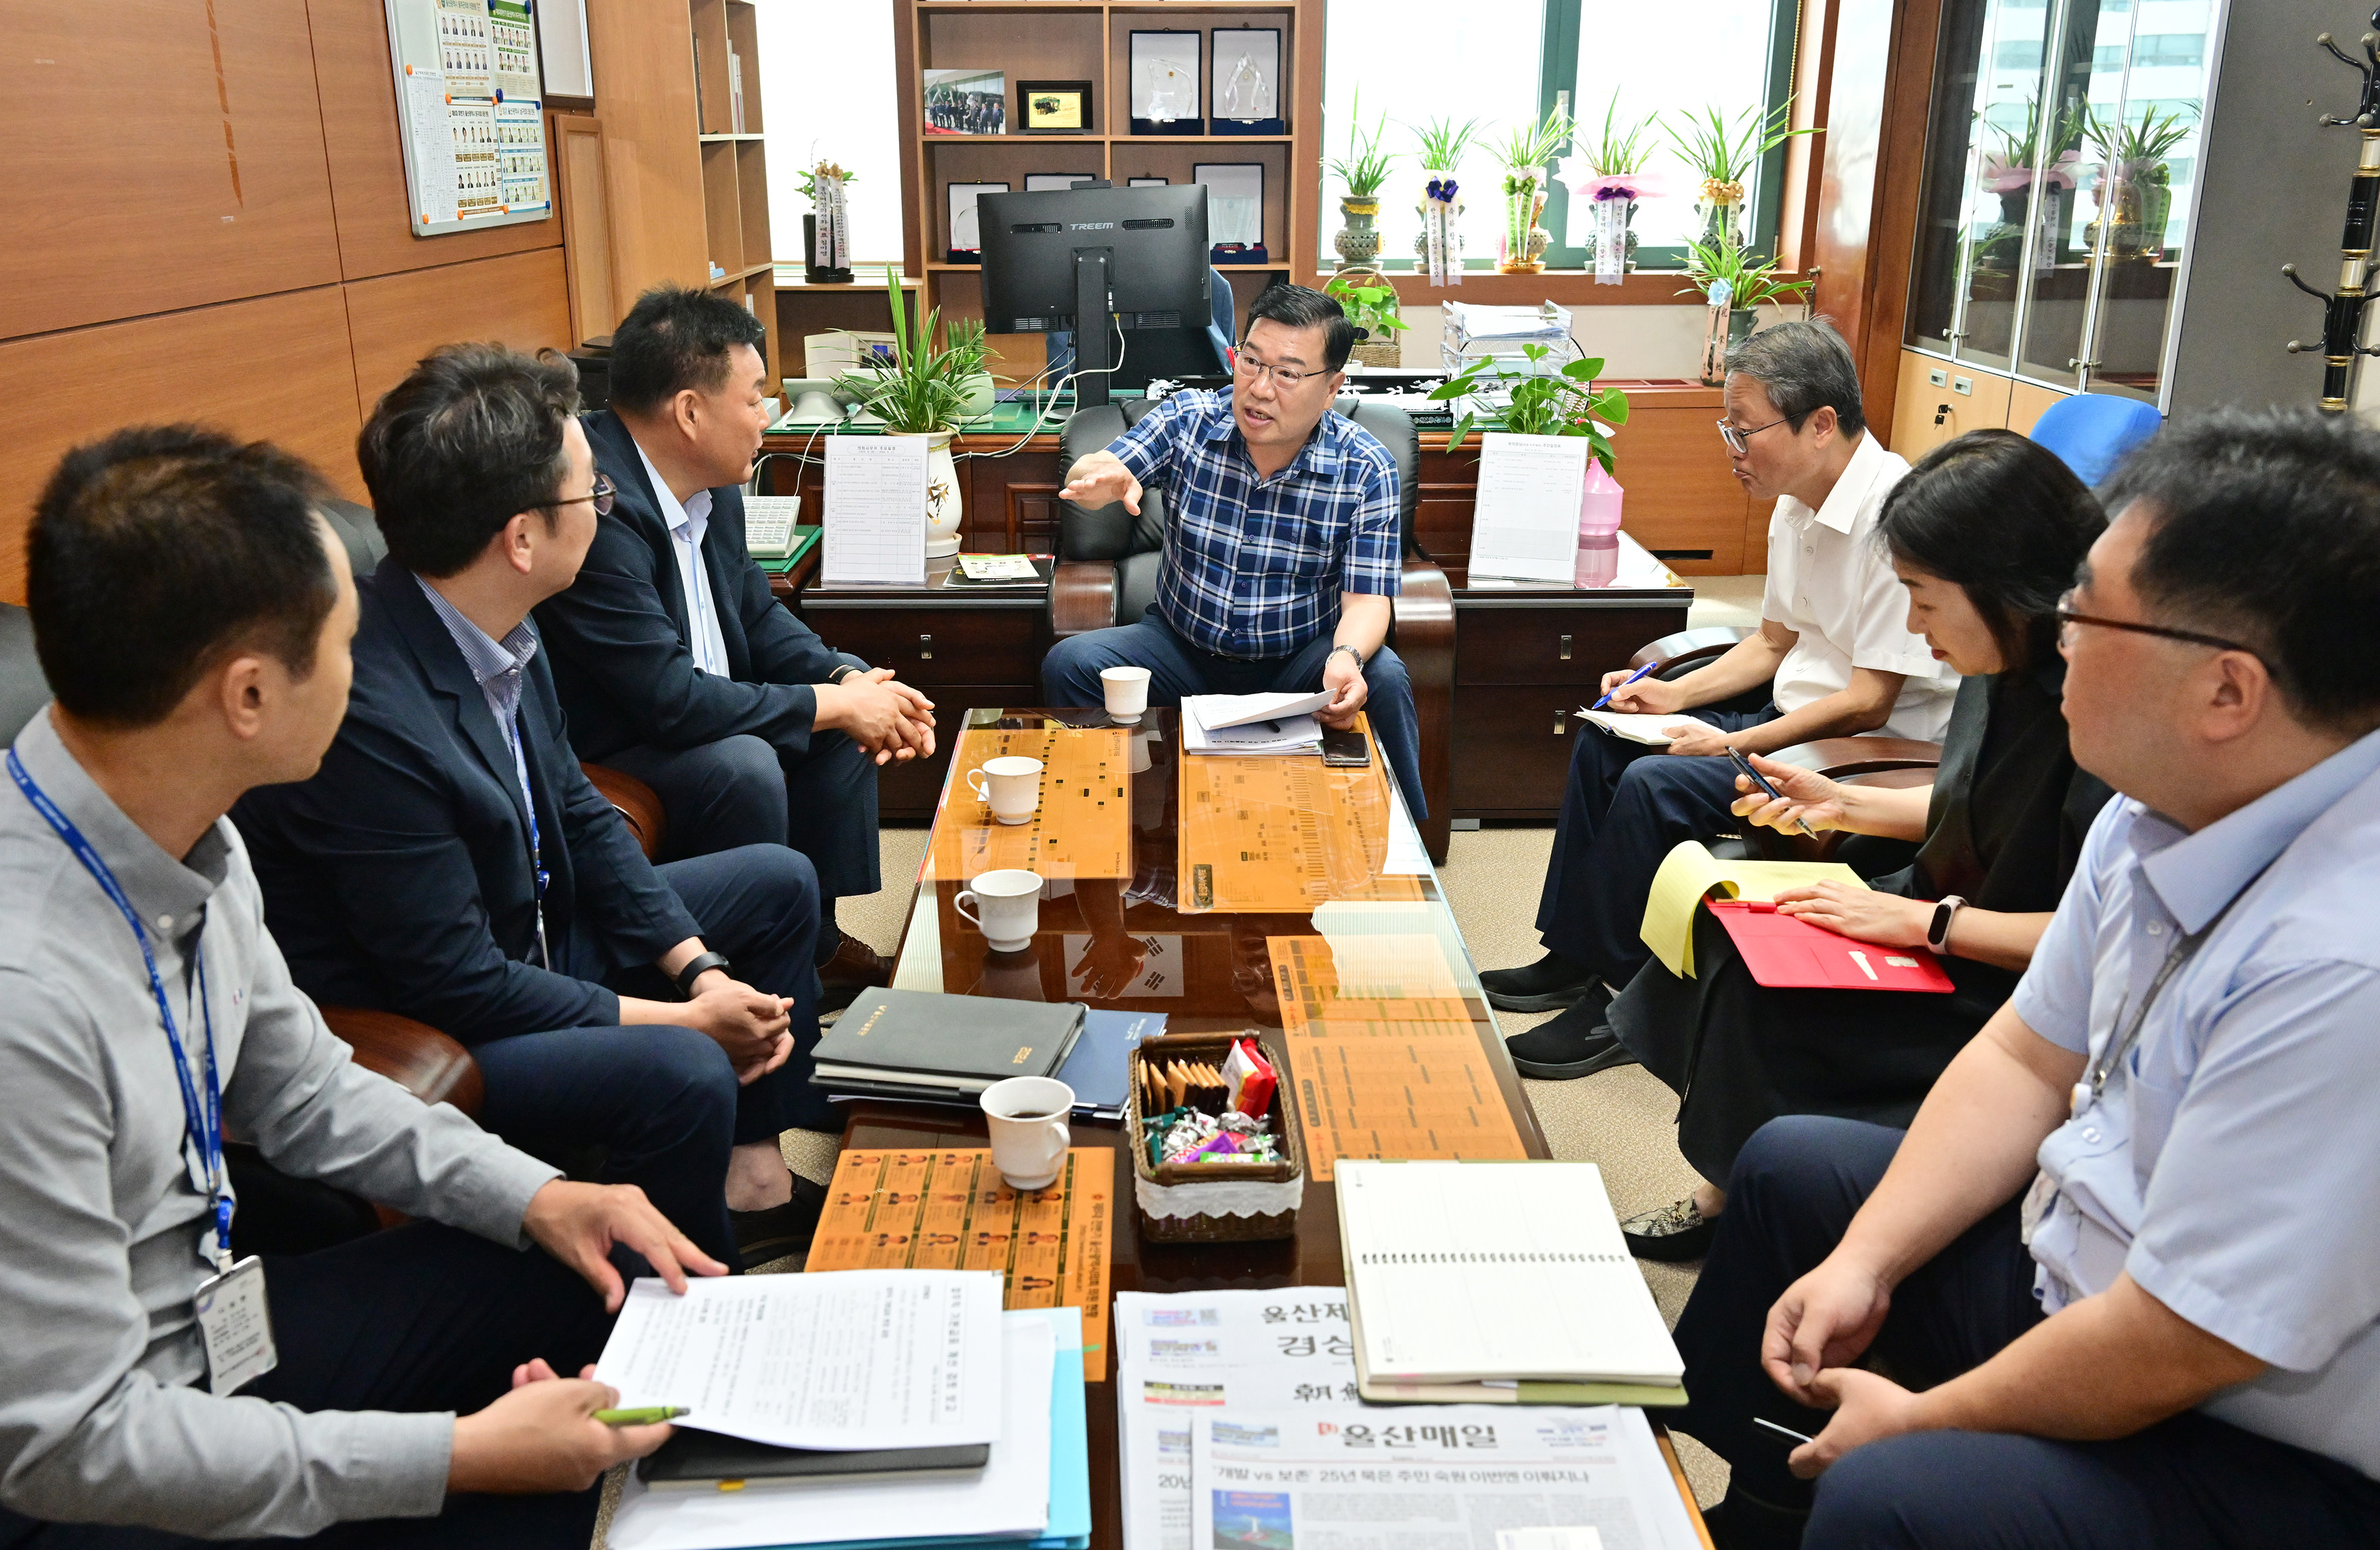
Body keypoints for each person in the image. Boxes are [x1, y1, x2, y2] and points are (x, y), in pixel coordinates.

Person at [1669, 407, 2380, 1550]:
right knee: (1799, 1171)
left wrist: (1920, 1421)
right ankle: (1761, 1501)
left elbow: (2187, 1333)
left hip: (2247, 1427)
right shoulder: (2157, 810)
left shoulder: (2346, 959)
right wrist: (1865, 1260)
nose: (2058, 640)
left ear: (2228, 691)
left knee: (1896, 1495)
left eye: (2087, 613)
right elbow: (2025, 1055)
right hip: (2081, 1257)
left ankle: (1834, 1485)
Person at [0, 425, 713, 1546]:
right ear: (247, 694)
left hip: (211, 1318)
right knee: (501, 1479)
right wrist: (457, 1455)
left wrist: (538, 1193)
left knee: (600, 1269)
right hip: (89, 1463)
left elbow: (311, 1092)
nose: (365, 659)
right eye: (342, 641)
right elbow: (70, 1442)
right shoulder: (27, 995)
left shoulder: (188, 831)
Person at [235, 345, 834, 1273]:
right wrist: (684, 1021)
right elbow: (458, 983)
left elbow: (581, 811)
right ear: (521, 536)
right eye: (592, 495)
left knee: (777, 882)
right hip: (445, 1023)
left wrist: (700, 968)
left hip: (541, 930)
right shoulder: (368, 716)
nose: (609, 510)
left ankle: (751, 1177)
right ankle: (672, 1314)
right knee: (679, 1070)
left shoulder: (504, 617)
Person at [1603, 431, 2113, 1262]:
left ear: (2001, 587)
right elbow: (1973, 810)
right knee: (1735, 931)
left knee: (1769, 986)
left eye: (1922, 596)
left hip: (2001, 974)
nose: (1913, 626)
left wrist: (1919, 923)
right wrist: (1844, 802)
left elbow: (2100, 941)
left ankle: (1754, 1196)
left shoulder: (2095, 715)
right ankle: (1740, 1185)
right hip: (1936, 906)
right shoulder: (1996, 664)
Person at [1482, 318, 1957, 1080]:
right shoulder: (1795, 499)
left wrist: (1738, 744)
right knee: (1607, 740)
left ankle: (1613, 1001)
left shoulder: (1891, 513)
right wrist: (1670, 694)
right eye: (1725, 428)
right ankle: (1570, 954)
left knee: (1655, 783)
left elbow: (1869, 701)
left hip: (1865, 754)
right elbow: (1770, 644)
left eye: (1744, 431)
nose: (1730, 449)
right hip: (1793, 717)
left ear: (1820, 424)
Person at [534, 286, 936, 1005]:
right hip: (627, 739)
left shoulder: (712, 482)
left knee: (846, 716)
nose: (765, 417)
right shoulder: (595, 507)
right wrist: (830, 702)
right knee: (748, 762)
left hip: (693, 705)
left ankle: (812, 942)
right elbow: (667, 700)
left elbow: (756, 614)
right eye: (754, 399)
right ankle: (760, 977)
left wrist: (847, 680)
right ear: (689, 411)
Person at [1038, 284, 1427, 824]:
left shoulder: (1366, 467)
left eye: (1288, 373)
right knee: (1073, 664)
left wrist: (1347, 658)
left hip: (1297, 661)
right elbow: (1100, 465)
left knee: (1382, 677)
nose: (1260, 389)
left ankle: (1405, 853)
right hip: (1180, 650)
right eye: (1251, 362)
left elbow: (1367, 601)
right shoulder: (1190, 419)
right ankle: (1094, 834)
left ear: (1332, 387)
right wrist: (1102, 477)